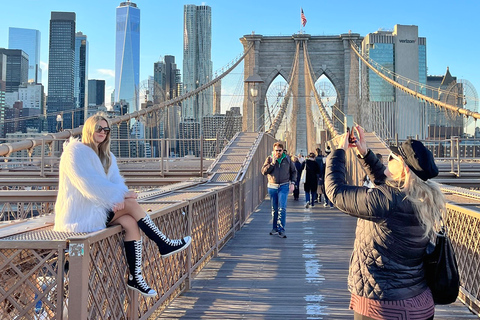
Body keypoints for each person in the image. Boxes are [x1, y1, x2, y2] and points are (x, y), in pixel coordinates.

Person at [54, 114, 192, 297]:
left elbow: (116, 183)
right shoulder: (74, 152)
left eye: (106, 129)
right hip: (80, 216)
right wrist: (122, 196)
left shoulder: (107, 156)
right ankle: (163, 243)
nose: (103, 132)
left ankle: (135, 277)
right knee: (131, 204)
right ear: (89, 129)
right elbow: (89, 185)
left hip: (98, 210)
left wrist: (120, 196)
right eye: (99, 129)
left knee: (129, 221)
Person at [325, 125, 442, 320]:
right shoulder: (423, 198)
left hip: (382, 307)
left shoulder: (389, 201)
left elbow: (336, 192)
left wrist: (338, 152)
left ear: (403, 168)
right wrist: (364, 153)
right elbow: (387, 188)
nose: (387, 158)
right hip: (420, 303)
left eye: (392, 157)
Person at [262, 142, 296, 238]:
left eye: (279, 150)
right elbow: (264, 171)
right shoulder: (269, 159)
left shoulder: (287, 159)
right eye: (276, 150)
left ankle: (281, 229)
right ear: (273, 150)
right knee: (275, 209)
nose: (278, 152)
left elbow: (293, 171)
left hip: (284, 186)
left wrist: (293, 183)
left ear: (283, 150)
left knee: (282, 208)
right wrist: (272, 163)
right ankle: (274, 228)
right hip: (272, 186)